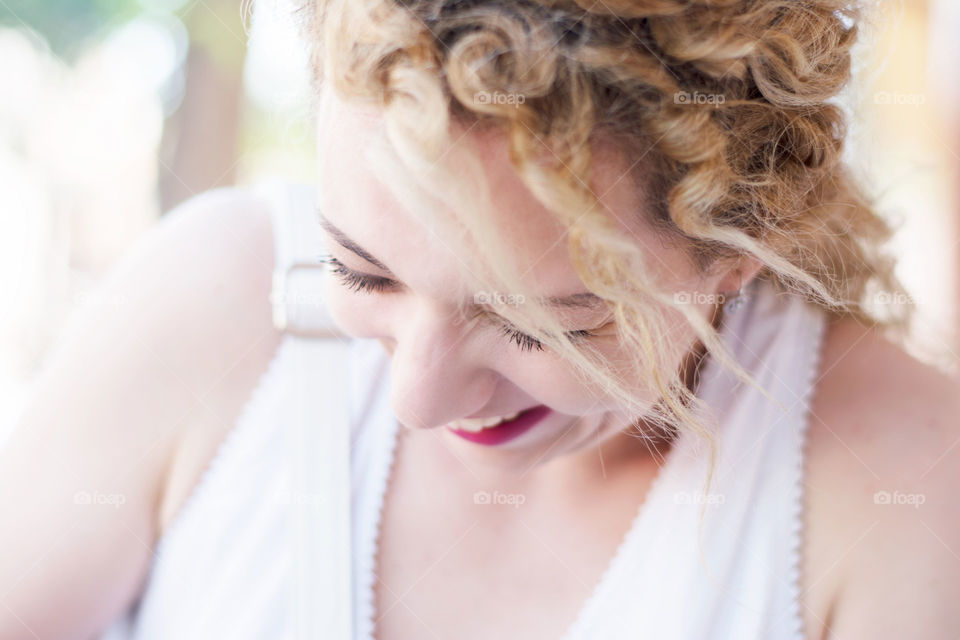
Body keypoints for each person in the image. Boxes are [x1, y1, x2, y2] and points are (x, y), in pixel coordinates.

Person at [2, 1, 959, 639]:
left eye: (540, 327)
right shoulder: (219, 301)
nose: (416, 397)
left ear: (732, 256)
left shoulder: (902, 486)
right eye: (362, 272)